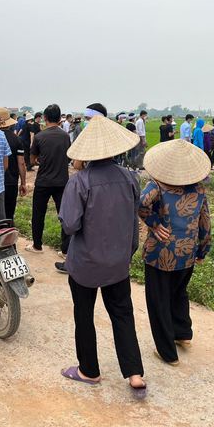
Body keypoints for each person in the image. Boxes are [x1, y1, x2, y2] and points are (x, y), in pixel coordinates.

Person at [59, 115, 146, 399]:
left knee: (83, 314)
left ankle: (89, 370)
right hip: (118, 261)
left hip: (86, 263)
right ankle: (134, 373)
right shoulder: (130, 178)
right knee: (122, 314)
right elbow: (134, 216)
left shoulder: (80, 182)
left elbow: (70, 225)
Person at [140, 139, 211, 366]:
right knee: (179, 292)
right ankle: (182, 334)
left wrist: (152, 222)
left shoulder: (157, 185)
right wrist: (203, 250)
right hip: (187, 252)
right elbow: (205, 223)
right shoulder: (199, 189)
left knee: (158, 300)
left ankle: (167, 352)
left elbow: (139, 203)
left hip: (160, 254)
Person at [26, 104, 71, 258]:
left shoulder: (39, 137)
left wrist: (39, 160)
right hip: (62, 181)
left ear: (45, 118)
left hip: (43, 181)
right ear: (59, 119)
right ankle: (65, 250)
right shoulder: (65, 136)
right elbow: (69, 156)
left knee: (38, 214)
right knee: (64, 215)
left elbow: (32, 160)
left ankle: (37, 245)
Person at [0, 107, 27, 222]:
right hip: (11, 181)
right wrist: (23, 183)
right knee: (9, 213)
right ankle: (9, 237)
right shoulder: (16, 139)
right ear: (10, 123)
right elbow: (21, 163)